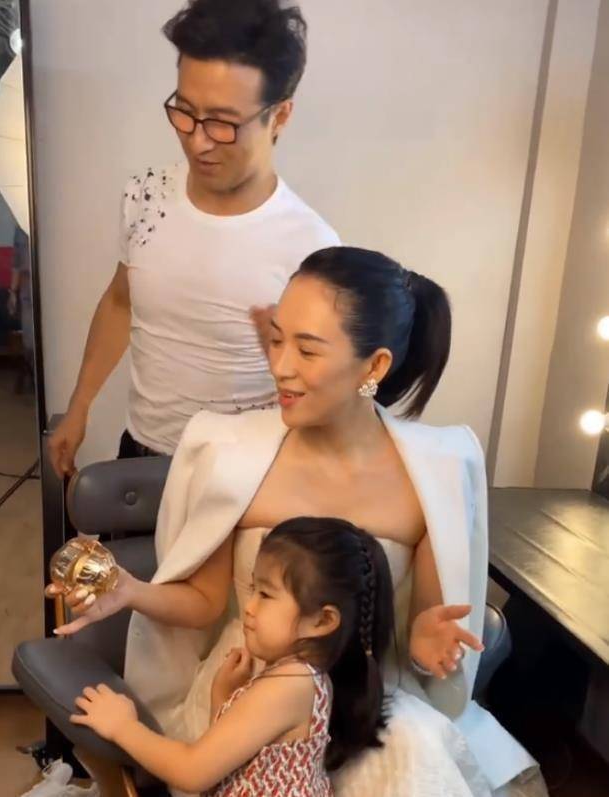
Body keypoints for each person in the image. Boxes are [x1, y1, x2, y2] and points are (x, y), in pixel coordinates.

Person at [51, 247, 548, 796]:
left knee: (410, 754)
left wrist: (425, 644)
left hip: (365, 701)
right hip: (250, 689)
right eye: (276, 339)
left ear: (375, 366)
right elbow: (204, 603)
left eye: (307, 350)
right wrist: (128, 590)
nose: (281, 367)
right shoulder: (229, 451)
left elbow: (424, 629)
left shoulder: (435, 471)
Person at [47, 0, 339, 475]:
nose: (198, 141)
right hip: (141, 453)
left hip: (247, 472)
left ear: (281, 116)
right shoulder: (145, 195)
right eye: (185, 111)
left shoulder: (313, 248)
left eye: (223, 123)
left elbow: (324, 395)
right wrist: (79, 406)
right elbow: (121, 301)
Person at [70, 518, 482, 796]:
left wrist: (123, 727)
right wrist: (223, 700)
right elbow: (240, 765)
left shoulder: (290, 685)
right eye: (253, 589)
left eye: (265, 595)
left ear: (322, 621)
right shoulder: (298, 677)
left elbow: (193, 772)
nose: (248, 608)